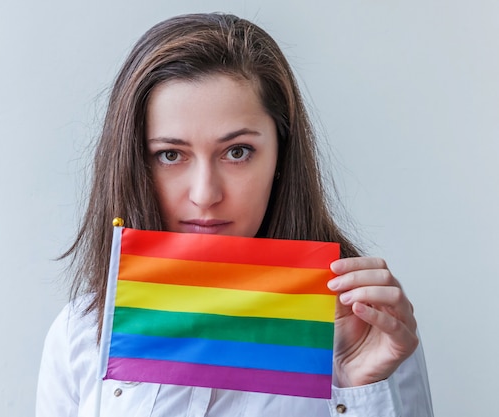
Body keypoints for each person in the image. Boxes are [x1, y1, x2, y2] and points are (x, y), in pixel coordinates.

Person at [36, 13, 433, 416]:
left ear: (281, 154)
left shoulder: (367, 326)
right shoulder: (80, 334)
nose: (205, 194)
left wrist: (358, 389)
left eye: (237, 151)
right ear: (135, 164)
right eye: (170, 155)